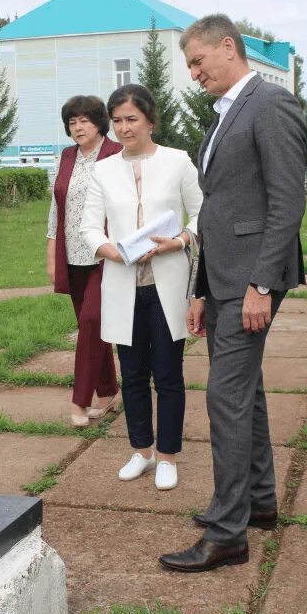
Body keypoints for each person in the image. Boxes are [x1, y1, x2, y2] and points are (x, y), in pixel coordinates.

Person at [159, 15, 307, 572]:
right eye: (189, 66)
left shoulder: (269, 105)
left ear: (228, 47)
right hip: (222, 278)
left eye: (199, 61)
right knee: (247, 393)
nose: (194, 73)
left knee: (225, 396)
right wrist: (199, 288)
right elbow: (217, 212)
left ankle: (228, 534)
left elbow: (287, 202)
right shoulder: (223, 117)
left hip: (253, 279)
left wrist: (261, 286)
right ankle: (259, 503)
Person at [81, 84, 202, 491]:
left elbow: (203, 214)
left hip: (167, 281)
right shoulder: (103, 169)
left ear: (150, 119)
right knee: (131, 375)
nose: (123, 128)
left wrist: (181, 241)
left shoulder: (177, 162)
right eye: (116, 121)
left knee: (168, 374)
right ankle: (141, 451)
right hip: (122, 284)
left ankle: (168, 456)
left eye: (131, 119)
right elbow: (86, 226)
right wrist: (107, 250)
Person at [46, 96, 124, 428]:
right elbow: (55, 207)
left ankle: (80, 401)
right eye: (72, 121)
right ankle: (107, 393)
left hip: (105, 255)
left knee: (92, 322)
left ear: (99, 123)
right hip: (72, 255)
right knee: (92, 327)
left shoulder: (116, 155)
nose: (78, 127)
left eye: (85, 121)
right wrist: (51, 255)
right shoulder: (66, 157)